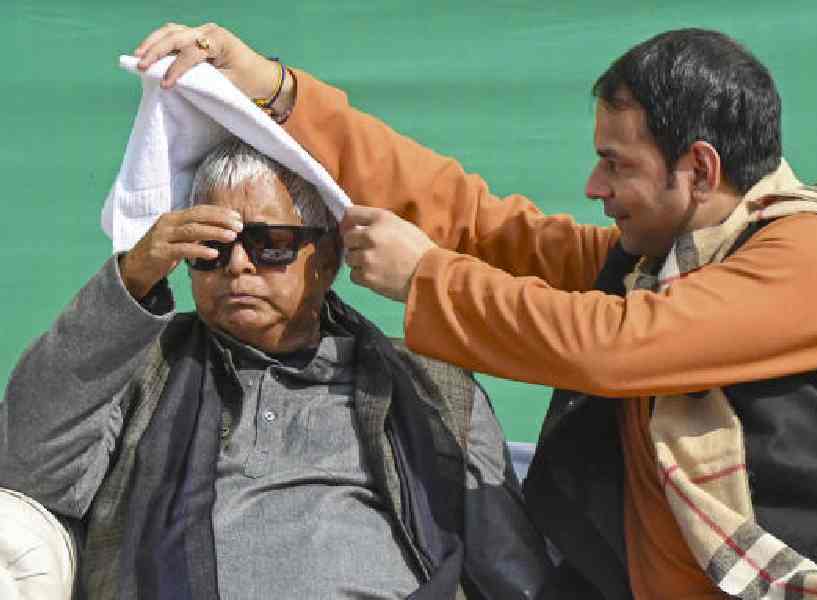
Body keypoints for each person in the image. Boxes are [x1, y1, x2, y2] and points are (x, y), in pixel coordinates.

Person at [132, 24, 817, 598]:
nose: (595, 186)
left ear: (699, 168)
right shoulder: (653, 265)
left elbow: (616, 348)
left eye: (616, 163)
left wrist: (427, 279)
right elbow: (478, 225)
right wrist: (278, 92)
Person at [0, 137, 550, 599]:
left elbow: (509, 567)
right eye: (211, 247)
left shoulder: (432, 384)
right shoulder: (144, 363)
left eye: (270, 244)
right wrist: (131, 282)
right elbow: (26, 465)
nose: (238, 263)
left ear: (328, 256)